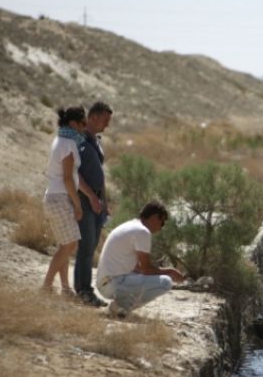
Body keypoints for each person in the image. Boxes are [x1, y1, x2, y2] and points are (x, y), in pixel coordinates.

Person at [95, 201, 184, 317]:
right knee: (166, 282)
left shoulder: (132, 225)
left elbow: (138, 268)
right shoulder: (142, 232)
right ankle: (121, 307)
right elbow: (146, 269)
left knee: (153, 278)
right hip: (113, 284)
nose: (161, 228)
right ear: (154, 217)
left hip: (105, 283)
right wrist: (170, 271)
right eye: (162, 223)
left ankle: (119, 307)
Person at [42, 106, 86, 295]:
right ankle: (46, 286)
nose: (84, 128)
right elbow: (68, 179)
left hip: (53, 197)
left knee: (65, 244)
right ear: (73, 123)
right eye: (82, 124)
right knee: (70, 244)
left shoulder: (59, 141)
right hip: (60, 198)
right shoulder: (68, 144)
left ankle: (65, 287)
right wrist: (77, 204)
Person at [74, 101, 113, 306]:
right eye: (105, 120)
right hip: (84, 200)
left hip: (97, 202)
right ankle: (83, 292)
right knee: (86, 248)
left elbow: (100, 176)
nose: (107, 125)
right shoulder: (79, 140)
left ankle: (86, 291)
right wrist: (90, 197)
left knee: (91, 247)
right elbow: (75, 174)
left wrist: (103, 202)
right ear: (94, 117)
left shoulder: (96, 141)